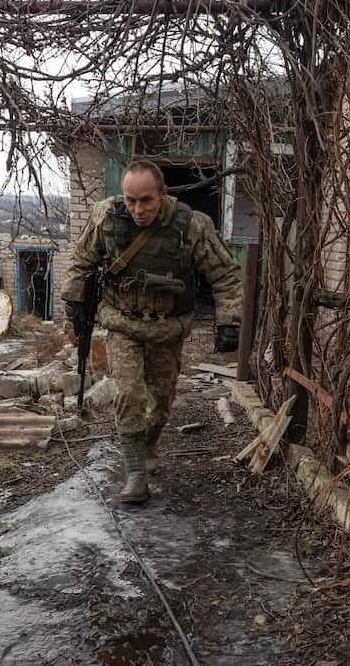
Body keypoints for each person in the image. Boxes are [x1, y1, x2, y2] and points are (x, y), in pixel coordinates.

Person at [62, 159, 242, 503]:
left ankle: (150, 443)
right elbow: (81, 259)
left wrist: (228, 321)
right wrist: (74, 301)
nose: (138, 209)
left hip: (167, 327)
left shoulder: (191, 225)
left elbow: (225, 275)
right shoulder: (106, 217)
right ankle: (135, 474)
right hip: (122, 323)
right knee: (128, 393)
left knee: (161, 401)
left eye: (146, 200)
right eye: (131, 200)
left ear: (163, 193)